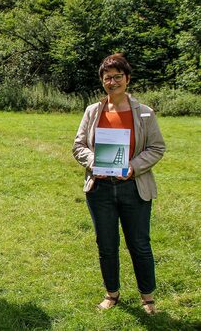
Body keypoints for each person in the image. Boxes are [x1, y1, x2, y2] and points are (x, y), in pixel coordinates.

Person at [72, 54, 165, 315]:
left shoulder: (145, 113)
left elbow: (157, 147)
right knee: (107, 244)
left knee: (139, 244)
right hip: (99, 189)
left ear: (127, 78)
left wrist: (133, 166)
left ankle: (147, 298)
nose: (112, 82)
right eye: (107, 77)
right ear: (102, 81)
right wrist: (95, 162)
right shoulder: (92, 111)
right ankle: (111, 293)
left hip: (134, 187)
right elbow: (78, 147)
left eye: (117, 77)